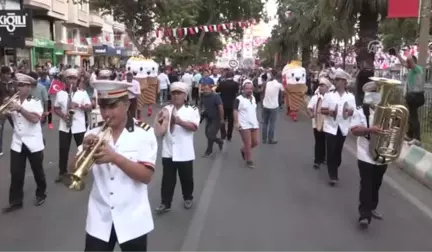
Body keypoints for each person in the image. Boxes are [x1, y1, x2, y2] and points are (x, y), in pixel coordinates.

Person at [74, 80, 157, 252]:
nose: (106, 113)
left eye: (112, 107)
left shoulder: (144, 133)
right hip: (99, 218)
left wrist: (115, 158)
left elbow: (146, 176)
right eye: (103, 107)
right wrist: (83, 149)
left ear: (126, 105)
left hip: (133, 219)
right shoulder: (93, 132)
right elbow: (72, 169)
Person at [2, 73, 47, 213]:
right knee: (16, 173)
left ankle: (41, 193)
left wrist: (20, 109)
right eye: (17, 84)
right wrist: (5, 110)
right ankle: (15, 201)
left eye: (22, 85)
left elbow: (35, 119)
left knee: (37, 171)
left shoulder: (35, 101)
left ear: (29, 87)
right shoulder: (12, 101)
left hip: (33, 142)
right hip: (17, 142)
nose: (18, 87)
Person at [153, 82, 200, 214]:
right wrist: (160, 123)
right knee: (167, 179)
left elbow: (194, 127)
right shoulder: (165, 109)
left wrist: (179, 122)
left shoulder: (192, 109)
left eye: (179, 93)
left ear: (185, 96)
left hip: (184, 150)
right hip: (168, 150)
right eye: (173, 93)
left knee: (186, 178)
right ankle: (165, 203)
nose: (175, 96)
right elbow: (158, 126)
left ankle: (188, 197)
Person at [350, 80, 388, 229]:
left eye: (376, 93)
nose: (374, 96)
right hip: (365, 153)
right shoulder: (360, 111)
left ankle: (372, 207)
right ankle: (364, 214)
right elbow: (354, 131)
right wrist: (370, 130)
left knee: (376, 183)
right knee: (366, 184)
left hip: (382, 152)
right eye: (371, 93)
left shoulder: (386, 111)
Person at [53, 68, 92, 183]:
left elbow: (89, 107)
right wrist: (63, 116)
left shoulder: (82, 93)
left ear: (77, 80)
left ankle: (81, 169)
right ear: (65, 80)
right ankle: (62, 172)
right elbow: (56, 108)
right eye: (69, 78)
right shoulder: (60, 93)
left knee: (81, 148)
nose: (72, 81)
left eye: (74, 78)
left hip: (79, 126)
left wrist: (79, 106)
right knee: (63, 149)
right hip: (65, 126)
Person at [320, 69, 356, 186]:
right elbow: (322, 109)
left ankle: (335, 165)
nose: (334, 82)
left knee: (338, 152)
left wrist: (349, 112)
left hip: (343, 127)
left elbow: (353, 111)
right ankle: (332, 175)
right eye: (334, 80)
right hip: (330, 127)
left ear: (343, 81)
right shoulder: (329, 95)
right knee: (330, 150)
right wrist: (329, 112)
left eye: (337, 80)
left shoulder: (350, 97)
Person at [393, 51, 424, 145]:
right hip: (412, 96)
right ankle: (410, 135)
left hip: (416, 96)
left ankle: (417, 138)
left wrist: (407, 52)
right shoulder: (411, 70)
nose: (407, 65)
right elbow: (403, 63)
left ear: (413, 62)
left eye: (409, 63)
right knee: (410, 115)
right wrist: (397, 54)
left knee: (414, 116)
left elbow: (409, 60)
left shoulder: (417, 69)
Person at [234, 80, 260, 168]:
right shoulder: (239, 99)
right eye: (247, 88)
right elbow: (235, 110)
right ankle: (249, 160)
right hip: (244, 125)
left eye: (251, 88)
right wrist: (237, 122)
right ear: (243, 89)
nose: (249, 90)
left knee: (255, 142)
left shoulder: (253, 98)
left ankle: (243, 150)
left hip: (254, 124)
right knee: (248, 143)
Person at [307, 77, 332, 169]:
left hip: (328, 124)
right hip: (317, 124)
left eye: (323, 85)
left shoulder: (331, 98)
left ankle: (325, 158)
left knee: (327, 142)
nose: (321, 87)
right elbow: (309, 107)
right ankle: (317, 160)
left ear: (327, 87)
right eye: (320, 85)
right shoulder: (315, 98)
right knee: (318, 142)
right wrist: (311, 114)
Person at [201, 81, 224, 157]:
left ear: (211, 89)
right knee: (207, 134)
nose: (205, 91)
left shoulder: (215, 96)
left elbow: (220, 107)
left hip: (216, 119)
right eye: (203, 89)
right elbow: (205, 107)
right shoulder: (203, 96)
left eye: (207, 89)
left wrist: (221, 119)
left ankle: (209, 150)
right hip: (209, 118)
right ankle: (219, 141)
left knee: (210, 135)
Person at [261, 70, 284, 144]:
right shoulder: (279, 85)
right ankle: (270, 139)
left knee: (265, 123)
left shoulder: (267, 83)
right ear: (279, 78)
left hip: (265, 105)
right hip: (274, 106)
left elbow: (263, 91)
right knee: (272, 124)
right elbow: (283, 92)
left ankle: (264, 139)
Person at [216, 71, 239, 141]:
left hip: (223, 103)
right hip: (232, 104)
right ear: (233, 76)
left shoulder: (222, 83)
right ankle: (229, 136)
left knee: (222, 119)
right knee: (230, 121)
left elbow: (217, 90)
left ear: (226, 76)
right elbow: (237, 92)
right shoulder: (236, 84)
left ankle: (223, 134)